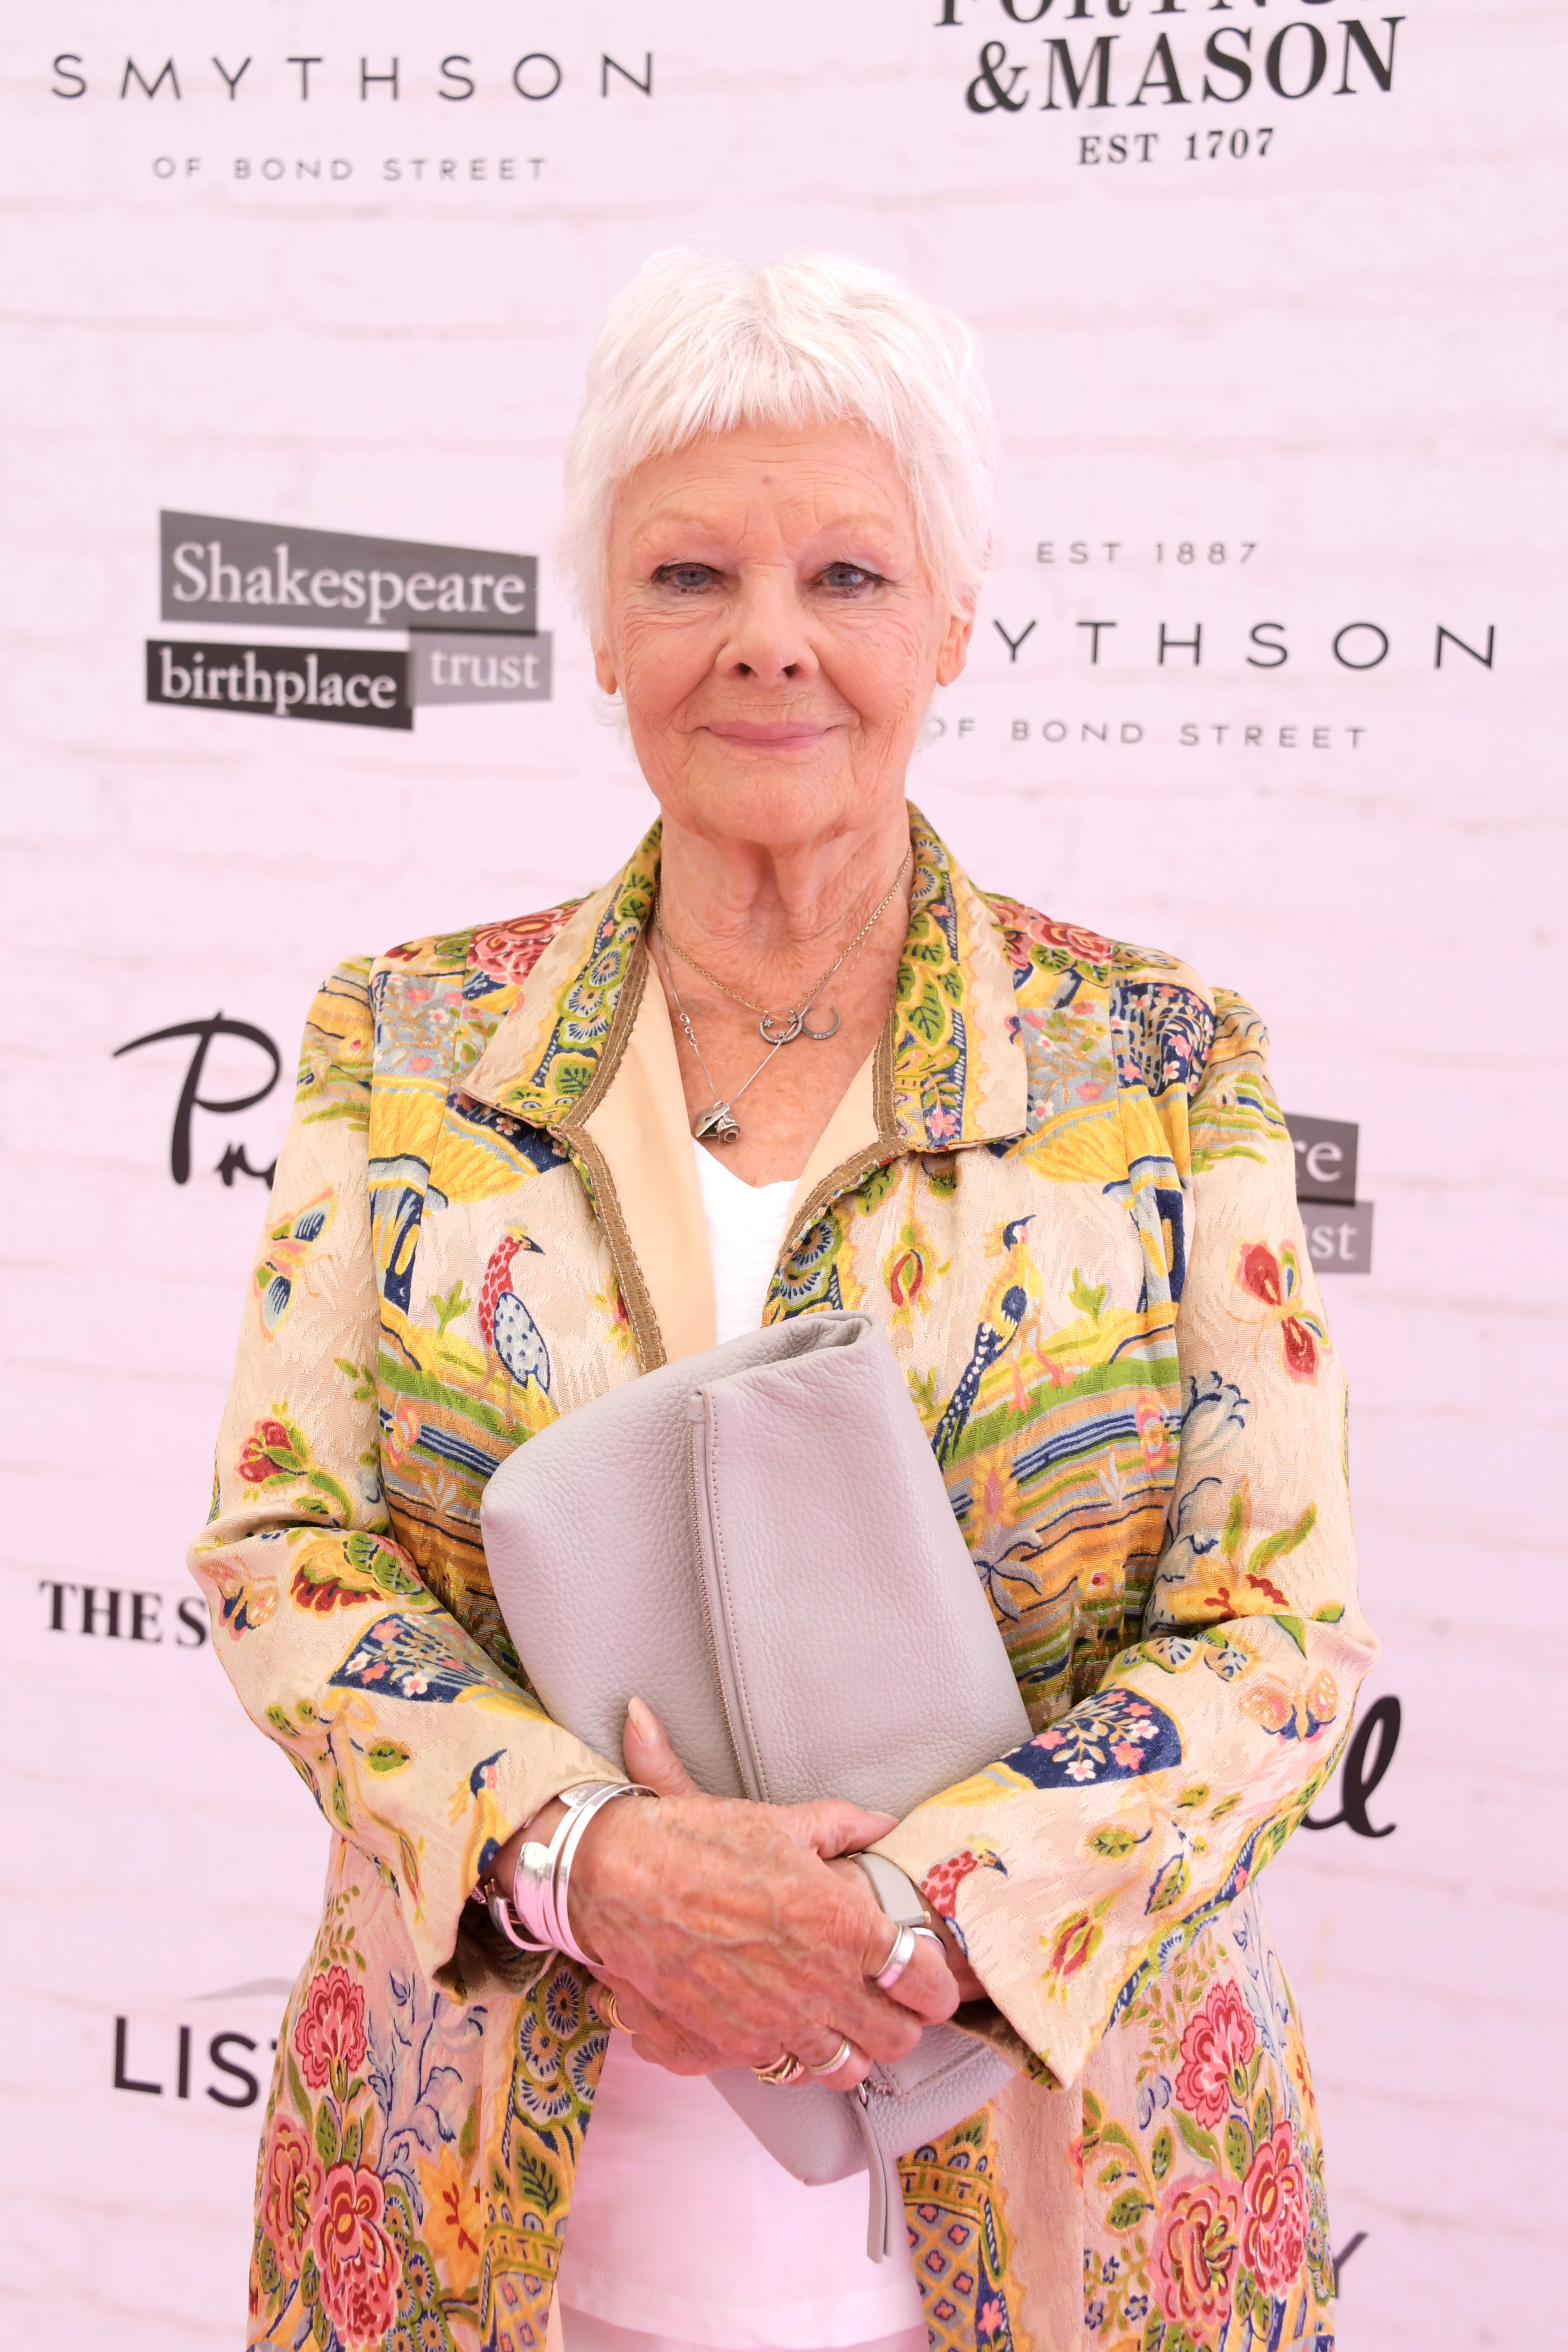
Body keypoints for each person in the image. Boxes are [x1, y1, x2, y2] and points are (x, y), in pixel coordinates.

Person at [193, 252, 1375, 2352]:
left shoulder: (1161, 1060)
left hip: (1077, 2219)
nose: (767, 640)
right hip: (479, 2220)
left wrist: (914, 1906)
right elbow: (288, 1548)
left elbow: (1279, 1639)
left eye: (845, 571)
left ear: (954, 617)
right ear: (601, 628)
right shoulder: (406, 1042)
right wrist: (587, 1860)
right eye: (688, 573)